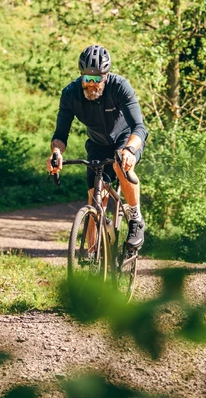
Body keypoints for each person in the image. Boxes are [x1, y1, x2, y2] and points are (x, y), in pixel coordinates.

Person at [46, 45, 148, 251]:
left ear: (107, 76)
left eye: (97, 79)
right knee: (95, 198)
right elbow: (60, 135)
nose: (92, 85)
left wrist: (129, 150)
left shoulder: (120, 87)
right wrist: (56, 153)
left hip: (126, 139)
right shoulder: (70, 94)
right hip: (98, 144)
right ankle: (93, 257)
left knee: (121, 166)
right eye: (87, 79)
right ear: (81, 76)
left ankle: (135, 218)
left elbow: (139, 127)